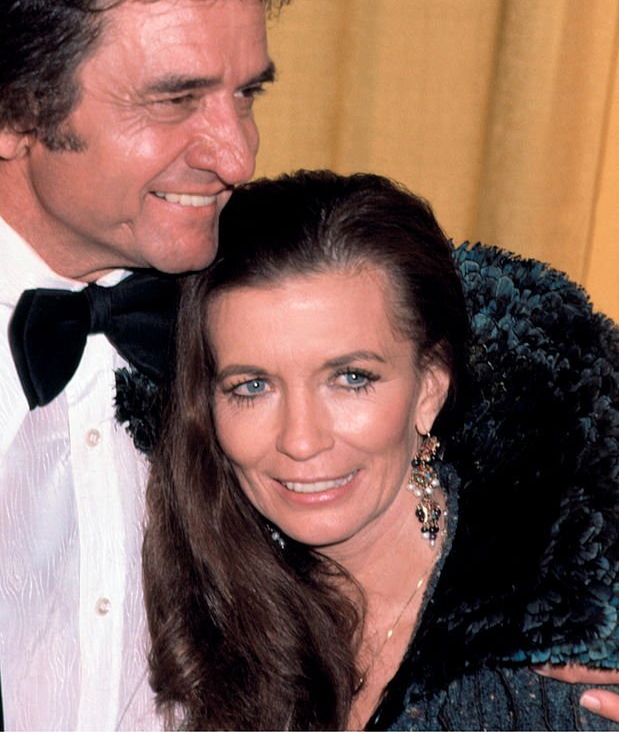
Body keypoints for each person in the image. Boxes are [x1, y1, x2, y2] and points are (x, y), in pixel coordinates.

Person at [0, 0, 304, 731]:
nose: (237, 155)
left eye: (246, 93)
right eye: (174, 99)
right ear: (6, 103)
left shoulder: (281, 292)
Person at [144, 169, 619, 730]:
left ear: (429, 388)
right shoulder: (195, 596)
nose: (301, 439)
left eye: (350, 378)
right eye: (252, 386)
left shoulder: (569, 624)